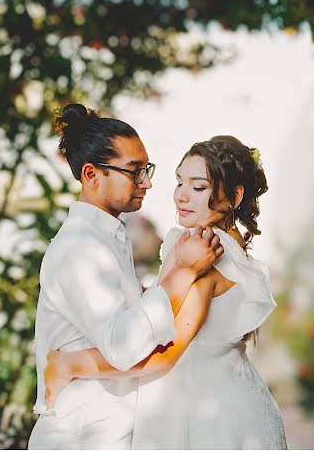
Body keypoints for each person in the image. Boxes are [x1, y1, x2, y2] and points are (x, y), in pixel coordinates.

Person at [43, 135, 287, 449]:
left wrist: (69, 364)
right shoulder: (227, 245)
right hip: (232, 400)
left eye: (198, 187)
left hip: (210, 421)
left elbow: (162, 356)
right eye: (179, 183)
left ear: (235, 196)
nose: (181, 197)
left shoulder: (203, 253)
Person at [27, 104, 224, 450]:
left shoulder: (107, 239)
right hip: (81, 438)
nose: (147, 182)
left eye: (146, 169)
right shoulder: (79, 249)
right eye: (134, 171)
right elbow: (123, 345)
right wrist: (183, 272)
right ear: (91, 175)